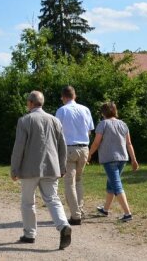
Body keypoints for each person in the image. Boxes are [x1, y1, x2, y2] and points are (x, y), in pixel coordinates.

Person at [10, 90, 72, 250]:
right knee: (52, 199)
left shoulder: (25, 121)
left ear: (30, 103)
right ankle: (63, 225)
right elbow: (62, 146)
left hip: (29, 169)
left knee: (28, 202)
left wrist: (14, 168)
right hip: (52, 167)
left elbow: (19, 148)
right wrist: (62, 166)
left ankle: (30, 234)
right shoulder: (55, 120)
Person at [87, 102, 139, 222]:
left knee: (116, 185)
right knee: (111, 183)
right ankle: (105, 209)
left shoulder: (103, 124)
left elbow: (96, 143)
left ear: (103, 113)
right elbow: (129, 143)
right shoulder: (123, 124)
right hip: (122, 159)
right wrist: (134, 160)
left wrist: (89, 154)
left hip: (109, 159)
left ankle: (127, 213)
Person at [55, 85, 94, 225]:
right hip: (84, 148)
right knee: (78, 180)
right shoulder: (85, 109)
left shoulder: (62, 111)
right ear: (74, 95)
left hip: (69, 148)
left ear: (63, 97)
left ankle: (75, 215)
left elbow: (57, 132)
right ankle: (80, 209)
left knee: (69, 183)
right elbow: (89, 131)